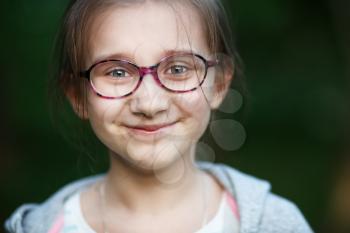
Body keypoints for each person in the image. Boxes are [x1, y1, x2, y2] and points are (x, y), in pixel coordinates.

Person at [5, 0, 313, 232]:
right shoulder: (43, 228)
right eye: (116, 71)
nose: (149, 104)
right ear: (77, 95)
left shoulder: (275, 224)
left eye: (178, 69)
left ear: (219, 83)